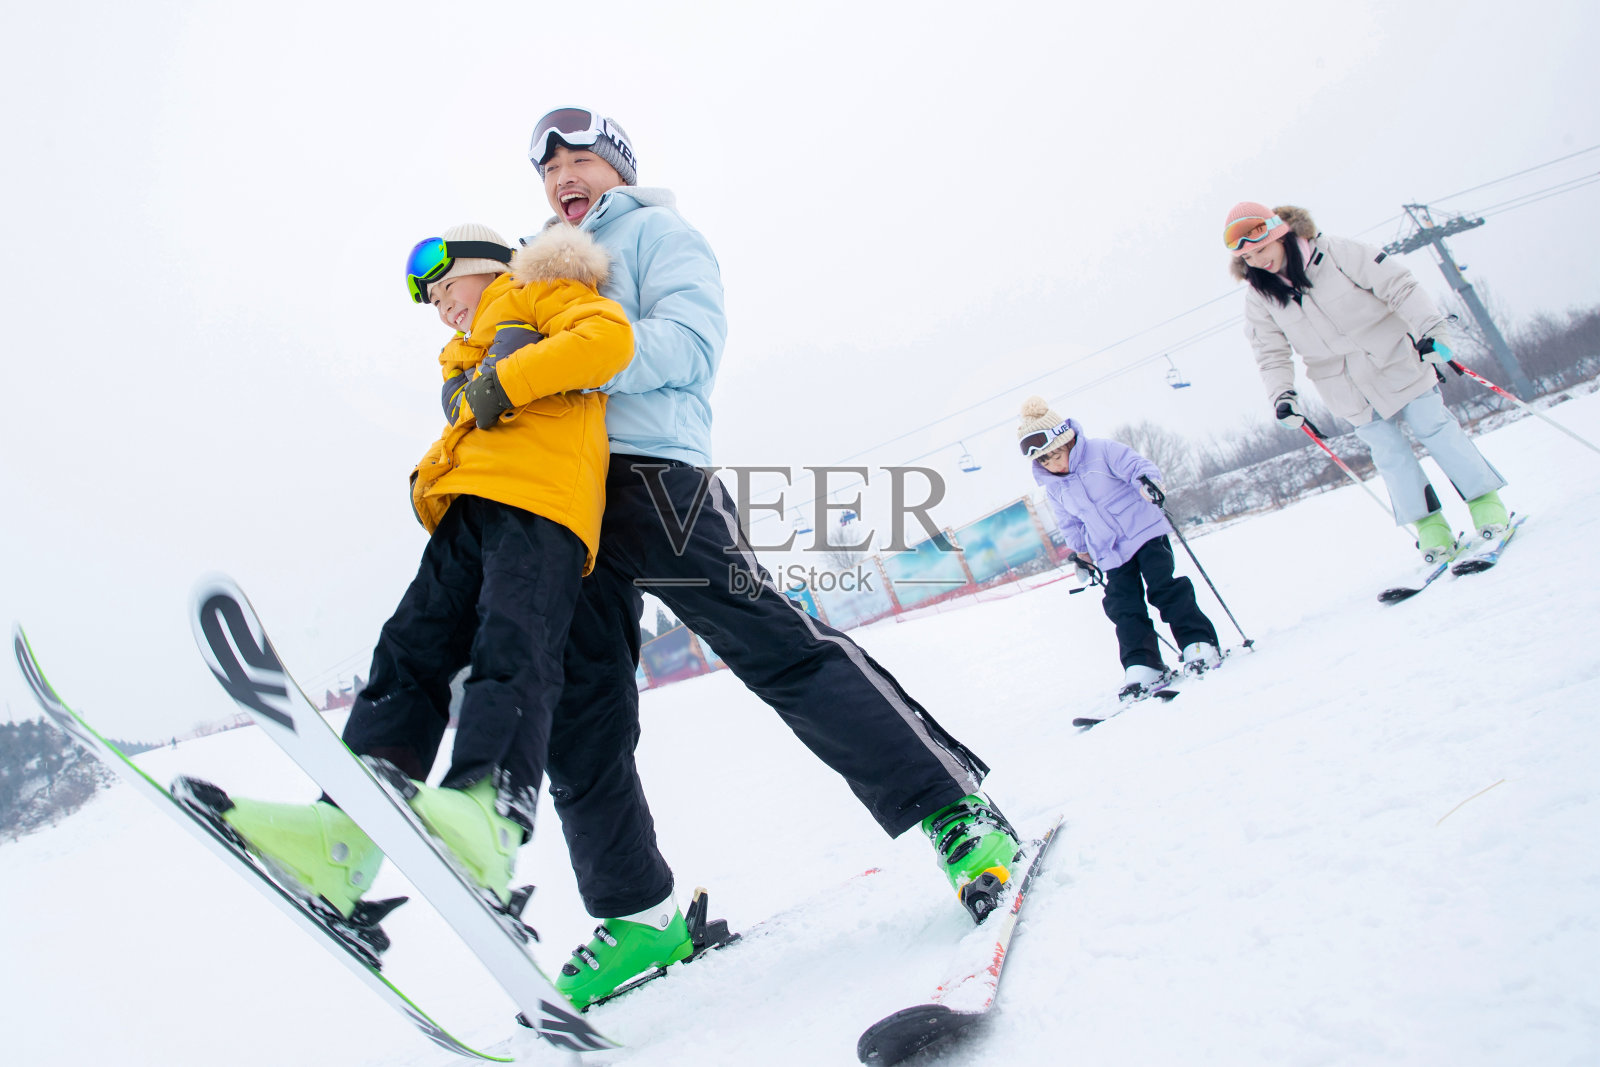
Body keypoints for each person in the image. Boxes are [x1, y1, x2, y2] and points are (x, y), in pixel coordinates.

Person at [522, 107, 1023, 1006]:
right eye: (548, 165)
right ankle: (640, 914)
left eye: (579, 157)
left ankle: (954, 809)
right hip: (565, 499)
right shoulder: (538, 267)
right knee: (580, 707)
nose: (563, 173)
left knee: (774, 645)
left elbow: (691, 347)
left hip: (654, 478)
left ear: (618, 167)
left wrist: (580, 356)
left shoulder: (657, 233)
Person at [179, 222, 633, 941]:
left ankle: (488, 811)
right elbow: (473, 419)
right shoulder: (462, 354)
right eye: (428, 297)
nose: (437, 303)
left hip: (542, 502)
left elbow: (607, 342)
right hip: (472, 509)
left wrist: (501, 381)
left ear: (485, 266)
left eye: (442, 282)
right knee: (408, 650)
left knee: (513, 643)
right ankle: (344, 836)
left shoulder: (538, 289)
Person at [1225, 201, 1512, 566]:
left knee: (1434, 428)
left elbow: (1400, 287)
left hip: (1396, 361)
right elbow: (1270, 353)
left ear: (1280, 234)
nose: (1258, 260)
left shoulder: (1338, 253)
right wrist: (1283, 395)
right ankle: (1431, 529)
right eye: (1248, 257)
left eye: (1262, 249)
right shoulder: (1260, 297)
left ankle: (1486, 504)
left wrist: (1433, 330)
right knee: (1390, 454)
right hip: (1346, 388)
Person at [1017, 396, 1222, 700]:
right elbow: (1069, 523)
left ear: (1069, 441)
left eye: (1056, 455)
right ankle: (1144, 664)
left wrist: (1148, 483)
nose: (1054, 465)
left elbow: (1138, 467)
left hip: (1144, 532)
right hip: (1109, 551)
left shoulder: (1101, 451)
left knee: (1164, 589)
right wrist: (1082, 554)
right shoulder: (1054, 487)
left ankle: (1198, 643)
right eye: (1045, 461)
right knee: (1123, 607)